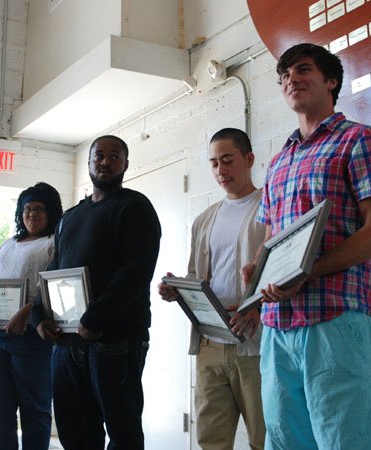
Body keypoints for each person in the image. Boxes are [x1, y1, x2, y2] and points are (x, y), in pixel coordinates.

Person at [242, 43, 371, 450]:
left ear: (331, 81)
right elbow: (272, 239)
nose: (290, 79)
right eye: (284, 76)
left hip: (337, 315)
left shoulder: (361, 140)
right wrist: (258, 270)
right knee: (284, 441)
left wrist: (307, 271)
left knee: (347, 441)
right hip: (278, 324)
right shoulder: (279, 162)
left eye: (303, 69)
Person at [31, 135, 161, 450]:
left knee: (122, 430)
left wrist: (96, 317)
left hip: (114, 340)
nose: (105, 161)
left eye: (114, 156)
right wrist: (39, 314)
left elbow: (135, 271)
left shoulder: (135, 207)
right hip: (67, 341)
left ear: (126, 164)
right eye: (98, 155)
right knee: (75, 432)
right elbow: (55, 270)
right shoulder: (70, 217)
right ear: (89, 162)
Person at [157, 128, 266, 450]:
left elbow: (282, 273)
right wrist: (180, 290)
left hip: (256, 347)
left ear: (248, 159)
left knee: (267, 439)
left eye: (228, 160)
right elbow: (198, 276)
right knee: (211, 441)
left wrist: (258, 307)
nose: (221, 171)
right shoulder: (205, 219)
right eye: (214, 163)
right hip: (210, 346)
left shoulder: (270, 209)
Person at [0, 182, 63, 450]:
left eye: (39, 209)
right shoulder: (7, 244)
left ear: (51, 212)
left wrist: (28, 312)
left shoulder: (55, 242)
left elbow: (55, 284)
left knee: (34, 410)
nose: (32, 214)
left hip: (31, 338)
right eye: (27, 209)